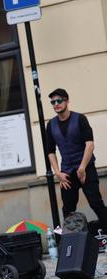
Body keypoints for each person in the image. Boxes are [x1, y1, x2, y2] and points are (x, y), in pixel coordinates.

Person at [46, 88, 107, 230]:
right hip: (66, 172)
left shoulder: (80, 119)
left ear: (67, 101)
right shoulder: (51, 125)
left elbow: (90, 144)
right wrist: (58, 173)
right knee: (68, 209)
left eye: (59, 101)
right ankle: (72, 242)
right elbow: (50, 152)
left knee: (96, 203)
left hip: (86, 168)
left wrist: (82, 167)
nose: (56, 104)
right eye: (53, 102)